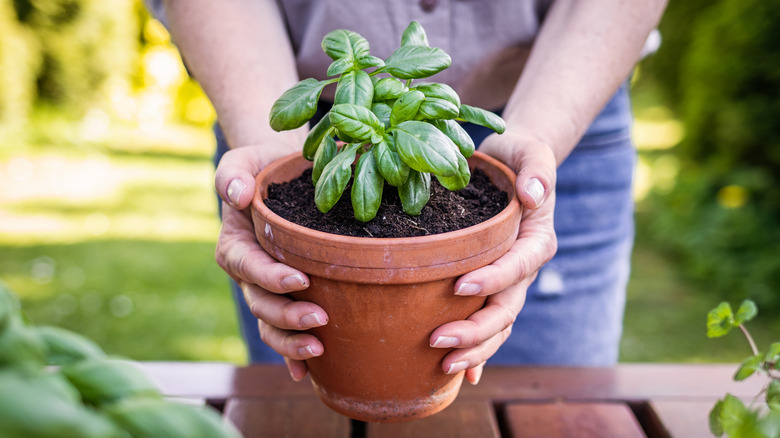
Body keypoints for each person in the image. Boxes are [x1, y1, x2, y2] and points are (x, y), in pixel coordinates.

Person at [155, 0, 667, 384]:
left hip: (564, 103)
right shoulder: (342, 120)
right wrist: (272, 150)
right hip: (281, 113)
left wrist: (539, 135)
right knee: (300, 414)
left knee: (554, 409)